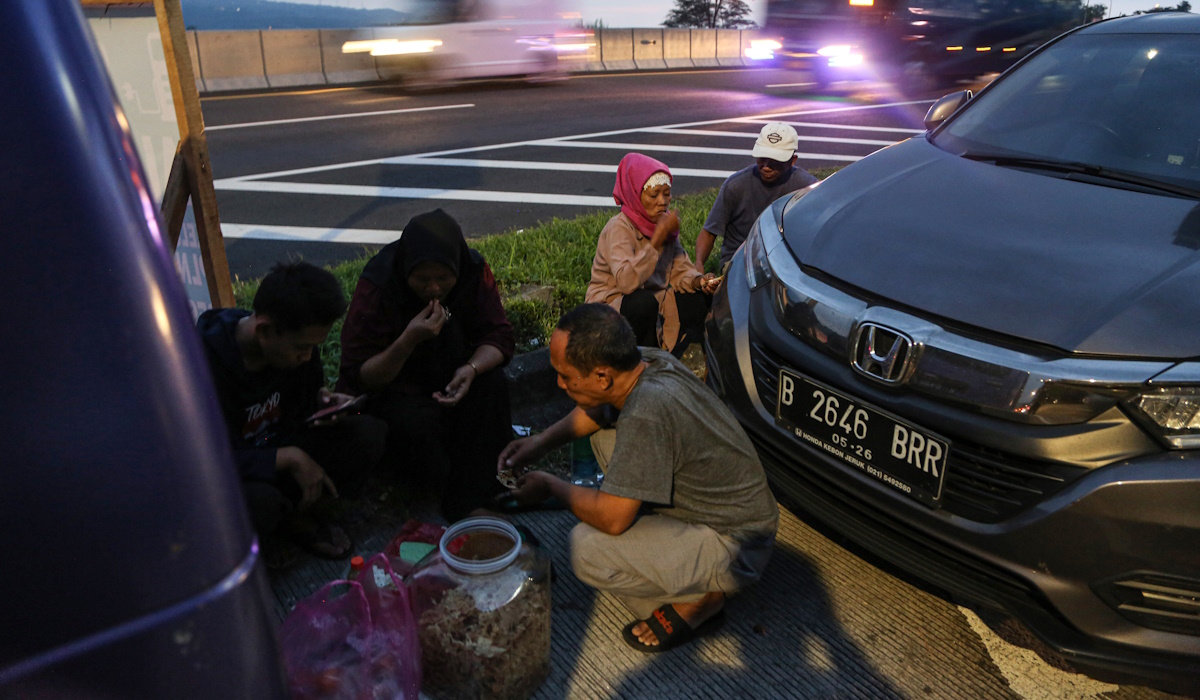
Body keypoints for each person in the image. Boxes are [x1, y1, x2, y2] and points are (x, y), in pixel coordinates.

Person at [498, 303, 779, 653]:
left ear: (602, 376)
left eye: (566, 376)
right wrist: (540, 443)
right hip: (739, 515)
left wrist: (551, 486)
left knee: (588, 549)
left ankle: (701, 600)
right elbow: (598, 411)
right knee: (604, 433)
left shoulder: (647, 413)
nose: (559, 383)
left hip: (736, 546)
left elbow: (613, 521)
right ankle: (671, 548)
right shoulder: (645, 362)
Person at [198, 261, 387, 560]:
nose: (308, 356)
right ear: (264, 331)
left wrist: (321, 404)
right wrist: (286, 457)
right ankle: (280, 528)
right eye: (301, 348)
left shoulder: (298, 350)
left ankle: (300, 511)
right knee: (260, 503)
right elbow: (203, 461)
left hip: (281, 450)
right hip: (234, 473)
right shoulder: (200, 366)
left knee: (368, 433)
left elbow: (298, 409)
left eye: (314, 347)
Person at [337, 209, 515, 521]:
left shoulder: (473, 270)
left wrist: (470, 370)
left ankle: (478, 493)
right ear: (406, 270)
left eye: (443, 278)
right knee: (416, 429)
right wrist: (408, 340)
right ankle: (447, 492)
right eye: (422, 279)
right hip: (399, 390)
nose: (433, 289)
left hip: (454, 376)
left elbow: (498, 335)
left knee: (494, 385)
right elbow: (361, 373)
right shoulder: (380, 284)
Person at [585, 152, 721, 356]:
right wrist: (657, 240)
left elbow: (681, 270)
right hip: (614, 307)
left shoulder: (664, 225)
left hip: (657, 302)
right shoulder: (619, 228)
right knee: (642, 302)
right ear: (635, 195)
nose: (662, 201)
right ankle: (643, 362)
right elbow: (626, 283)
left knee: (700, 298)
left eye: (666, 194)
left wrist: (699, 281)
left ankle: (688, 356)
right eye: (654, 194)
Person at [694, 122, 818, 272]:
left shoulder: (807, 188)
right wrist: (698, 265)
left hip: (786, 262)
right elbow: (709, 232)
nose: (766, 166)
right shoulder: (735, 186)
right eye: (762, 158)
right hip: (739, 262)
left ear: (792, 160)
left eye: (774, 160)